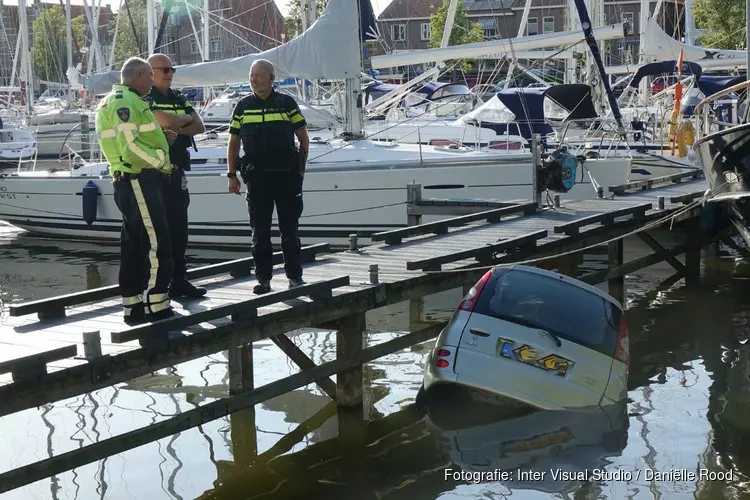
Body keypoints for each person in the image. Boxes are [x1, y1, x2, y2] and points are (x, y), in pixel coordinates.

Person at [95, 57, 175, 325]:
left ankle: (134, 305)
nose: (153, 80)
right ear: (139, 76)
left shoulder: (123, 99)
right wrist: (161, 161)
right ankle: (157, 302)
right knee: (157, 241)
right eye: (150, 75)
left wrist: (164, 140)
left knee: (134, 243)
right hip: (139, 179)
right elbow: (130, 147)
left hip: (131, 180)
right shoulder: (124, 102)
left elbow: (134, 140)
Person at [226, 59, 310, 295]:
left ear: (272, 78)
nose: (253, 79)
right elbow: (233, 143)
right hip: (257, 181)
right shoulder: (242, 106)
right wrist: (232, 175)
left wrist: (300, 173)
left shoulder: (286, 103)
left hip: (286, 178)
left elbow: (303, 139)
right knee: (259, 233)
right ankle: (263, 280)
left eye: (258, 76)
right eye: (251, 76)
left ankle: (295, 277)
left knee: (290, 231)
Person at [146, 53, 207, 299]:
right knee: (159, 232)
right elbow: (161, 121)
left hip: (178, 170)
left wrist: (174, 125)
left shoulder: (178, 98)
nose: (170, 74)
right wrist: (180, 122)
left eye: (173, 69)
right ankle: (159, 285)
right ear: (150, 73)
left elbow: (199, 125)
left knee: (180, 229)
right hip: (154, 172)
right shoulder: (145, 100)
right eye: (165, 70)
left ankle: (180, 280)